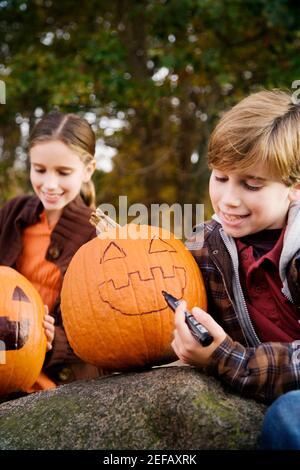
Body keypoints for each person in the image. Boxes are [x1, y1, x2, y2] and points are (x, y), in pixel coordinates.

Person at [171, 89, 300, 448]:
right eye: (220, 177)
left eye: (251, 184)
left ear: (295, 188)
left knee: (290, 415)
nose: (229, 199)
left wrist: (228, 359)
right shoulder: (206, 246)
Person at [0, 111, 103, 390]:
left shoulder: (97, 237)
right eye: (40, 169)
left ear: (88, 170)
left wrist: (54, 339)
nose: (49, 184)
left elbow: (105, 325)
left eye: (63, 172)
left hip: (55, 381)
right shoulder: (13, 214)